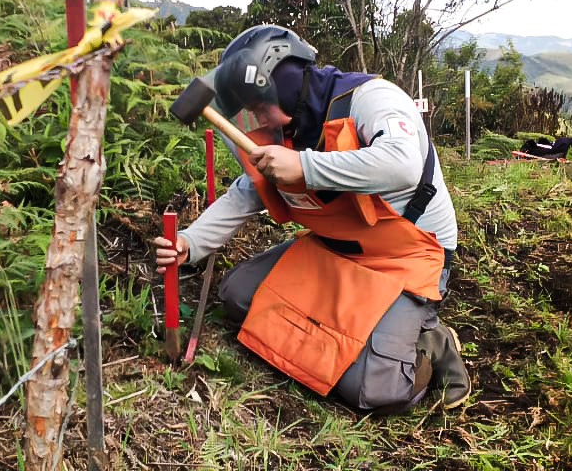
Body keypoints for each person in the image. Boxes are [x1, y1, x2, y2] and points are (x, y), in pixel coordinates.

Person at [154, 25, 470, 413]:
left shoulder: (373, 99)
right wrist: (190, 242)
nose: (254, 118)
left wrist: (305, 166)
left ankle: (432, 341)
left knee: (377, 390)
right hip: (333, 248)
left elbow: (402, 163)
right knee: (237, 296)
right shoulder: (284, 129)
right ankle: (358, 327)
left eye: (257, 105)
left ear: (282, 85)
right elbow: (249, 189)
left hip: (408, 257)